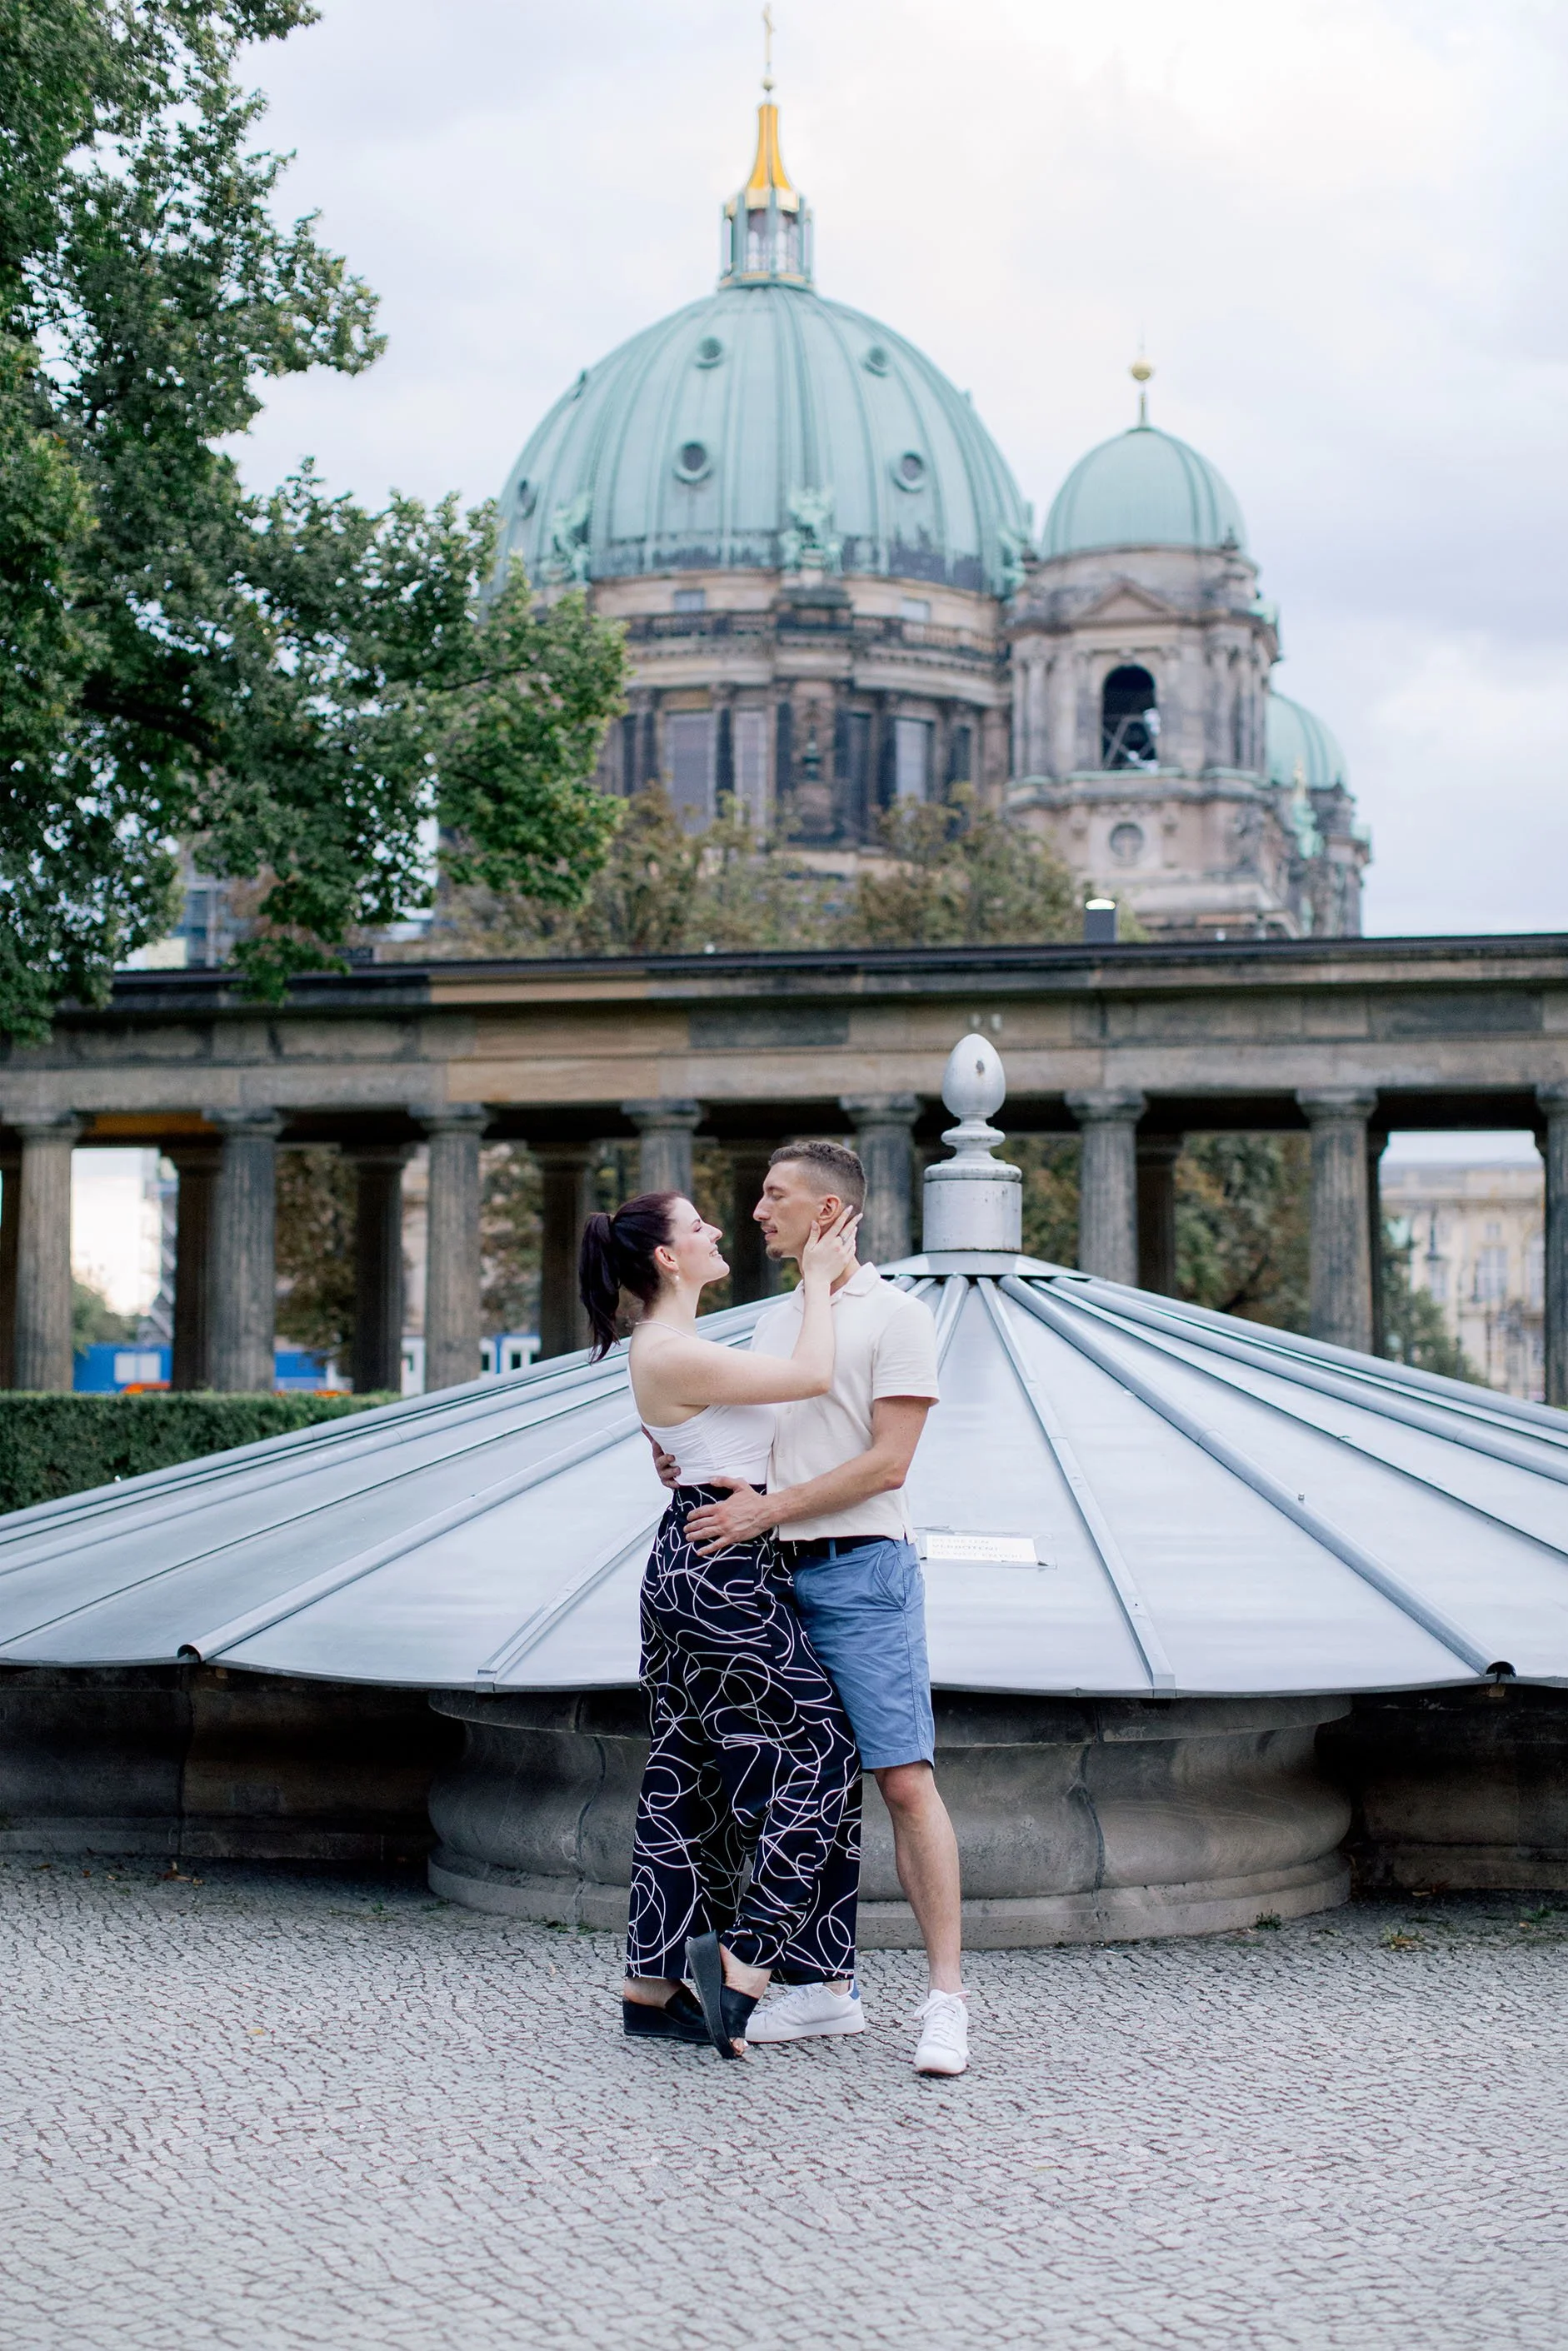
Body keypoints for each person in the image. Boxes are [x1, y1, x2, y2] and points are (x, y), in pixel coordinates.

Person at [670, 1140, 969, 2079]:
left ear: (829, 1211)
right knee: (807, 1783)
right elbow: (765, 1444)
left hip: (862, 1573)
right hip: (766, 1580)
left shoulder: (898, 1316)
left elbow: (889, 1462)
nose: (757, 1211)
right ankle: (824, 1987)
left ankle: (947, 2002)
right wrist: (687, 1460)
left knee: (903, 1781)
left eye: (776, 1195)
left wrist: (769, 1508)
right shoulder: (777, 1322)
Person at [578, 1188, 864, 2061]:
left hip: (692, 1559)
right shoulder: (670, 1349)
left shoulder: (670, 1347)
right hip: (720, 1571)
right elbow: (811, 1375)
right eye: (697, 1225)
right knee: (823, 1749)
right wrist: (817, 1279)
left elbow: (705, 1436)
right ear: (668, 1257)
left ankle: (651, 1986)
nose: (715, 1231)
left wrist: (676, 1455)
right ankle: (747, 1965)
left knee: (686, 1767)